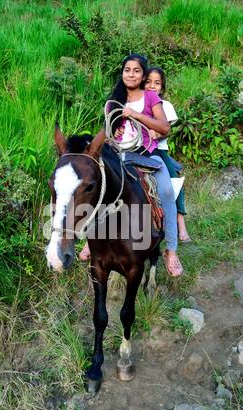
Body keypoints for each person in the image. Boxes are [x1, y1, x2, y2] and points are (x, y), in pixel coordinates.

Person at [80, 53, 183, 277]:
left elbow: (164, 127)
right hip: (118, 156)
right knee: (96, 185)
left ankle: (171, 250)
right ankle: (91, 239)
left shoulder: (151, 98)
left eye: (137, 71)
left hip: (146, 155)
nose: (131, 74)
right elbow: (106, 132)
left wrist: (135, 115)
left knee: (166, 190)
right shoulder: (113, 101)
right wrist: (111, 133)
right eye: (127, 70)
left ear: (143, 74)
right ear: (122, 72)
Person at [145, 66, 191, 242]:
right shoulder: (139, 103)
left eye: (157, 83)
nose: (152, 86)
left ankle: (180, 223)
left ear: (162, 87)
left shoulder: (165, 105)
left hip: (159, 150)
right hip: (138, 148)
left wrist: (157, 134)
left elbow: (167, 130)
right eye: (148, 82)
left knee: (174, 180)